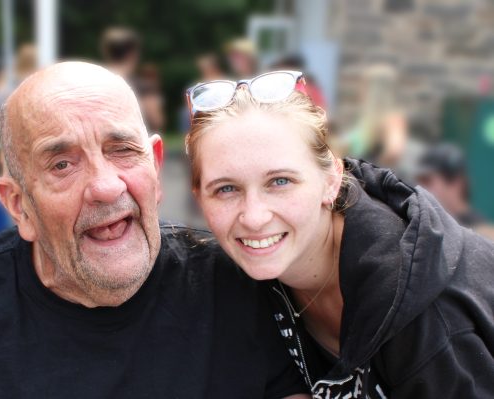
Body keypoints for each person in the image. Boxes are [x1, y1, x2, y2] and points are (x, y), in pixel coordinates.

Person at [0, 62, 311, 398]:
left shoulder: (239, 286)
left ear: (156, 167)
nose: (107, 187)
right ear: (19, 206)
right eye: (62, 164)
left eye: (122, 150)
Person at [184, 70, 494, 397]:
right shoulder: (239, 280)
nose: (255, 217)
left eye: (280, 182)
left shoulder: (428, 320)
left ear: (332, 178)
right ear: (199, 198)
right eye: (226, 189)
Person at [415, 142, 494, 240]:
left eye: (427, 180)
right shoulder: (421, 223)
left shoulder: (485, 235)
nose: (419, 187)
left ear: (456, 183)